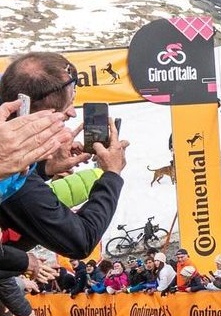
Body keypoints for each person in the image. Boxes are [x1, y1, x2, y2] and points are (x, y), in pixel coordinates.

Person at [0, 52, 128, 258]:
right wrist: (112, 174)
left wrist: (43, 168)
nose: (72, 113)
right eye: (64, 107)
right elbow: (81, 240)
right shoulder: (10, 172)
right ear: (32, 113)